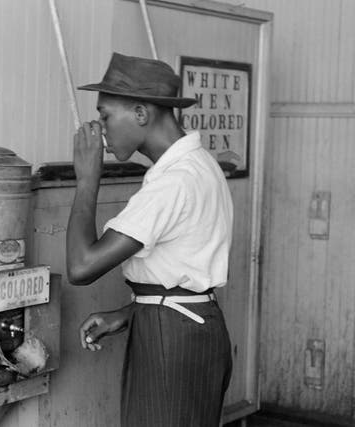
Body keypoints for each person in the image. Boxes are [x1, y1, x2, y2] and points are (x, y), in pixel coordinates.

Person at [66, 52, 234, 427]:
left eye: (105, 115)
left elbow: (81, 267)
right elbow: (183, 274)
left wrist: (87, 180)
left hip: (172, 340)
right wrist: (128, 315)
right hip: (188, 325)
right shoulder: (197, 166)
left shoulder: (175, 181)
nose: (101, 128)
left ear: (141, 113)